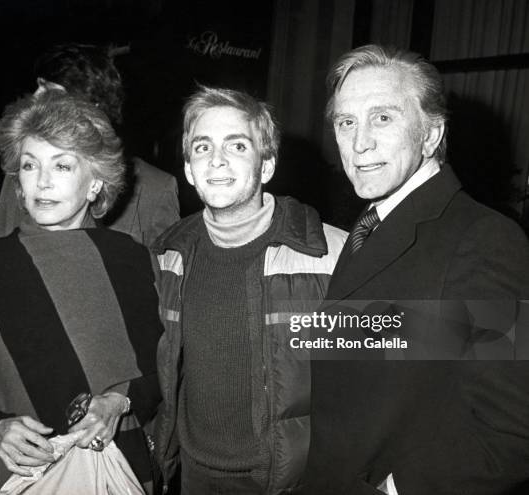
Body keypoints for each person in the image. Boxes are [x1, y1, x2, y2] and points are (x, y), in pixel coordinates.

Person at [303, 45, 529, 494]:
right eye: (346, 122)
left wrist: (398, 487)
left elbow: (513, 429)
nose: (360, 142)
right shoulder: (371, 224)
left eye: (382, 118)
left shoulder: (482, 239)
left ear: (430, 135)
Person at [0, 91, 163, 494]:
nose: (43, 182)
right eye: (30, 165)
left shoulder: (132, 262)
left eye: (62, 165)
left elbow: (166, 368)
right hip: (20, 477)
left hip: (122, 470)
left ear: (95, 182)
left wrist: (119, 401)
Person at [152, 85, 347, 494]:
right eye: (202, 148)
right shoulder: (168, 258)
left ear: (267, 165)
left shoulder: (333, 256)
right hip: (194, 474)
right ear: (188, 169)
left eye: (237, 145)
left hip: (290, 479)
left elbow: (397, 366)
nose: (217, 159)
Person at [0, 43, 179, 247]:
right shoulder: (24, 175)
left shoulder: (157, 190)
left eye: (49, 92)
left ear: (91, 110)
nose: (34, 98)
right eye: (37, 87)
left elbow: (165, 276)